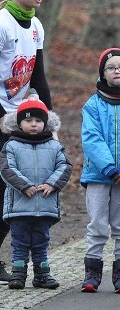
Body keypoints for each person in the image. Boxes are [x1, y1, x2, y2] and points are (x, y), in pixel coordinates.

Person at [0, 0, 53, 284]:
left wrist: (49, 120)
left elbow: (40, 76)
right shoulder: (2, 23)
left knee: (13, 194)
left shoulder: (35, 25)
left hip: (21, 119)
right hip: (1, 117)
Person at [79, 47, 120, 294]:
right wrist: (108, 167)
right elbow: (91, 138)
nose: (116, 70)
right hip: (98, 175)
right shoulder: (93, 105)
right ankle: (92, 272)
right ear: (103, 73)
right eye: (111, 67)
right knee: (97, 224)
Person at [1, 97, 70, 289]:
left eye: (39, 121)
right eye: (29, 120)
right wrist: (24, 185)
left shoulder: (54, 146)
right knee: (20, 242)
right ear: (19, 123)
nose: (34, 124)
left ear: (45, 123)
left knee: (41, 242)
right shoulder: (11, 145)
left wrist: (51, 184)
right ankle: (18, 274)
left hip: (44, 204)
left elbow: (64, 166)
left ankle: (42, 274)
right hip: (20, 206)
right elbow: (7, 169)